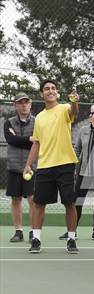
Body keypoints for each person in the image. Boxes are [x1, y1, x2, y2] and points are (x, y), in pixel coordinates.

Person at [23, 80, 80, 254]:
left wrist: (74, 101)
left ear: (57, 92)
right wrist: (27, 165)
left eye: (53, 88)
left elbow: (74, 111)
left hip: (65, 164)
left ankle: (71, 239)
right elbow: (37, 143)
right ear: (42, 94)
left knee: (69, 203)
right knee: (39, 204)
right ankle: (37, 239)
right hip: (45, 166)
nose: (51, 91)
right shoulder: (39, 117)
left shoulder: (64, 108)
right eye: (47, 89)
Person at [58, 104, 94, 241]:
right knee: (77, 202)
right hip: (84, 172)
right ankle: (72, 231)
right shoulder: (83, 130)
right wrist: (74, 166)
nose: (91, 116)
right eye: (90, 113)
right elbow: (78, 150)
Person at [4, 92, 36, 242]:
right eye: (20, 102)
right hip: (14, 167)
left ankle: (32, 231)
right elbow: (11, 140)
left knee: (32, 200)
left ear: (30, 104)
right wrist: (29, 139)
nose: (24, 105)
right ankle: (18, 231)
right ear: (15, 105)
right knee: (15, 200)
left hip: (31, 167)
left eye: (26, 102)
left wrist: (20, 139)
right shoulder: (9, 122)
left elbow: (38, 142)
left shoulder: (37, 122)